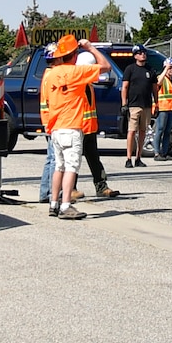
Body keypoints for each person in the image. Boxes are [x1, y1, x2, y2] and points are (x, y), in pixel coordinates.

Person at [40, 34, 109, 219]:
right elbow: (105, 66)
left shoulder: (50, 74)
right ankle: (65, 206)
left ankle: (53, 203)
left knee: (59, 167)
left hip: (56, 128)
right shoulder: (75, 73)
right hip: (71, 127)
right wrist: (91, 48)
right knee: (71, 167)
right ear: (74, 55)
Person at [75, 47, 120, 199]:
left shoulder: (87, 84)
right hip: (78, 127)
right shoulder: (79, 79)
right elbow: (106, 66)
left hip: (89, 128)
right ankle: (70, 189)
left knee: (94, 159)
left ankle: (101, 186)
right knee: (73, 160)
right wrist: (90, 46)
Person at [120, 47, 157, 167]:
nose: (142, 55)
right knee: (131, 131)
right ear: (135, 56)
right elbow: (125, 87)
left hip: (146, 105)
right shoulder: (130, 69)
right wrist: (124, 104)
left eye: (144, 53)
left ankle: (138, 157)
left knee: (143, 132)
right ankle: (128, 158)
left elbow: (155, 88)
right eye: (139, 53)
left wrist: (156, 103)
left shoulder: (150, 70)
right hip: (134, 105)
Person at [152, 58, 172, 160]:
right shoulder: (161, 79)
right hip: (163, 108)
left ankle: (165, 153)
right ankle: (157, 153)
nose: (171, 70)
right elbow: (157, 83)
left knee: (168, 131)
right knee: (160, 130)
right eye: (169, 68)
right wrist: (165, 70)